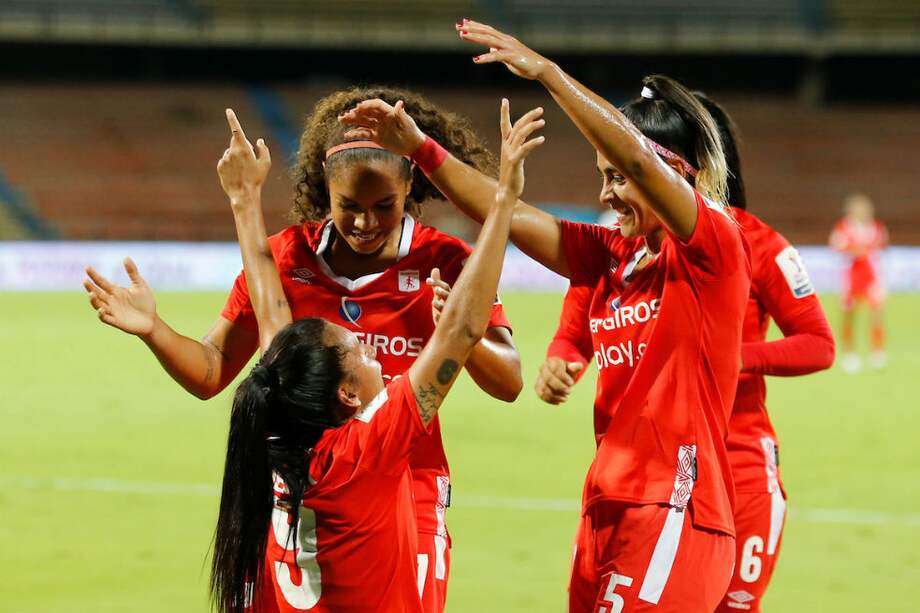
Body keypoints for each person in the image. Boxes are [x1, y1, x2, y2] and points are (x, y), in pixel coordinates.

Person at [341, 23, 750, 612]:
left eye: (617, 179)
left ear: (673, 177)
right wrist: (421, 150)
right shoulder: (615, 256)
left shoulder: (713, 250)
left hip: (677, 508)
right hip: (607, 507)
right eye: (602, 177)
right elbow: (504, 213)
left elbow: (637, 155)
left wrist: (549, 73)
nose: (607, 195)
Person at [86, 102, 543, 612]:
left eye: (384, 205)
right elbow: (216, 368)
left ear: (410, 186)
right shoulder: (290, 259)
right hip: (309, 487)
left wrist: (243, 200)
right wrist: (502, 202)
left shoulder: (444, 260)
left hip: (400, 490)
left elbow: (507, 381)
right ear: (324, 189)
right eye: (348, 205)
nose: (365, 222)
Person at [533, 92, 836, 613]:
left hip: (737, 463)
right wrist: (562, 358)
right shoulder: (621, 248)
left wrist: (729, 357)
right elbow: (576, 328)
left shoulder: (750, 241)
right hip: (654, 469)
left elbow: (819, 344)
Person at [829, 193, 889, 372]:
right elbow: (836, 246)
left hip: (871, 276)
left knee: (876, 313)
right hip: (851, 277)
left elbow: (882, 246)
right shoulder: (843, 227)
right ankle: (849, 353)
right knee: (849, 315)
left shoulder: (877, 227)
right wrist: (855, 250)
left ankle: (877, 352)